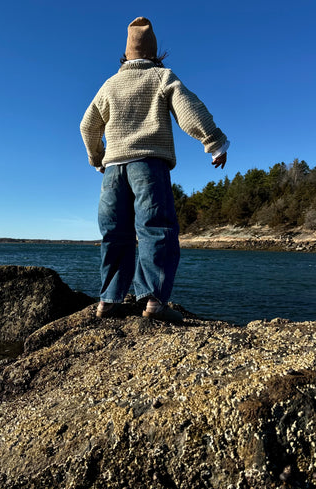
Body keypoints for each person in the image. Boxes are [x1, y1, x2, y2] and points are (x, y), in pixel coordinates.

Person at [80, 17, 229, 323]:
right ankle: (153, 302)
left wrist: (98, 159)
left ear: (126, 55)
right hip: (148, 164)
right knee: (156, 231)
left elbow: (87, 126)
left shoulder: (110, 84)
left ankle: (108, 300)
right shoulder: (161, 76)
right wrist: (214, 142)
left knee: (115, 234)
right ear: (155, 54)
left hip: (113, 170)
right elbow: (189, 109)